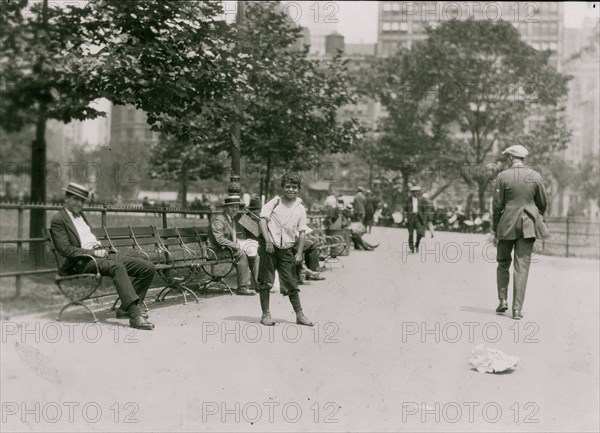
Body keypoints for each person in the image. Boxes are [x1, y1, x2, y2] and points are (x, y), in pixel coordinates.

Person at [50, 183, 155, 330]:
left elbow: (87, 238)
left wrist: (100, 250)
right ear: (66, 198)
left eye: (82, 200)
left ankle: (125, 308)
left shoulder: (81, 215)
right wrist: (93, 253)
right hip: (81, 262)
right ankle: (134, 315)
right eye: (75, 199)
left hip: (100, 254)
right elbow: (66, 250)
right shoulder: (58, 219)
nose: (79, 203)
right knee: (117, 267)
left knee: (147, 267)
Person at [492, 144, 547, 320]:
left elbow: (497, 205)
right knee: (521, 268)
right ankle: (516, 309)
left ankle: (502, 300)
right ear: (523, 159)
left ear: (510, 158)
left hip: (506, 224)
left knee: (502, 263)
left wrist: (495, 226)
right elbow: (543, 204)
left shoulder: (502, 176)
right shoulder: (535, 176)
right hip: (528, 226)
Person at [257, 172, 314, 327]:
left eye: (294, 187)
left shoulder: (300, 208)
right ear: (283, 187)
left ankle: (299, 314)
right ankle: (265, 314)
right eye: (288, 186)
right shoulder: (275, 202)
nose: (291, 190)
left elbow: (302, 231)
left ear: (298, 188)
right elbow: (262, 220)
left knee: (291, 282)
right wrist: (267, 241)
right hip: (270, 247)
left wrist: (299, 252)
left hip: (287, 248)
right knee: (266, 281)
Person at [208, 195, 257, 296]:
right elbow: (220, 240)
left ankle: (257, 284)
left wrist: (244, 243)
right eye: (231, 206)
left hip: (227, 249)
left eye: (237, 207)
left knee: (255, 254)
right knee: (241, 254)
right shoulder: (219, 220)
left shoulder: (233, 219)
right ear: (225, 207)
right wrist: (237, 245)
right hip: (215, 251)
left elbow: (256, 230)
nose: (234, 209)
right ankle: (243, 287)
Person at [404, 186, 433, 253]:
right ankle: (412, 248)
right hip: (410, 217)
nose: (416, 193)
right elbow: (405, 210)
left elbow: (425, 210)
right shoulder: (408, 200)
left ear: (419, 192)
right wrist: (405, 218)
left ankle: (417, 245)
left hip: (418, 218)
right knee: (410, 234)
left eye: (417, 192)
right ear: (412, 193)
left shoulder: (422, 200)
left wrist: (425, 219)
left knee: (419, 233)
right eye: (414, 192)